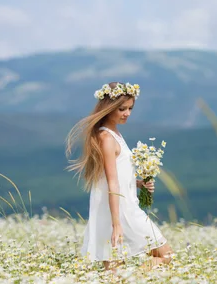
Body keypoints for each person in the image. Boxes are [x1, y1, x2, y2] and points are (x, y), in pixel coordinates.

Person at [65, 82, 172, 272]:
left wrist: (138, 183)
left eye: (130, 108)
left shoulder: (114, 133)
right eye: (122, 109)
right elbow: (112, 183)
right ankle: (130, 282)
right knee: (165, 255)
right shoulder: (106, 138)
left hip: (122, 206)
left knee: (115, 272)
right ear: (109, 107)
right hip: (121, 211)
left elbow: (116, 176)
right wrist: (116, 225)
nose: (127, 113)